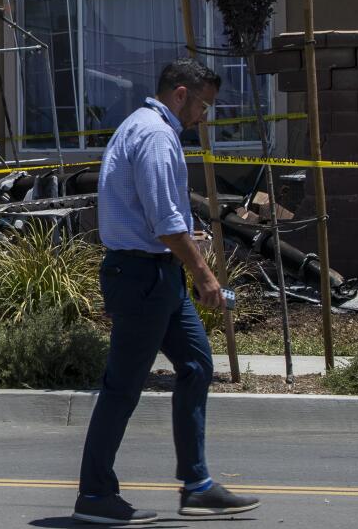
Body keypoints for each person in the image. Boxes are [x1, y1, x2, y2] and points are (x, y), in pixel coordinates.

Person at [71, 59, 260, 525]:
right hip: (141, 277)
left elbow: (161, 217)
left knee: (196, 365)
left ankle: (196, 486)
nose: (204, 115)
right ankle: (94, 495)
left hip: (158, 275)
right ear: (180, 94)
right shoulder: (156, 135)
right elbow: (165, 223)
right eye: (203, 105)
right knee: (122, 387)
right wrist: (205, 275)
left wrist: (184, 257)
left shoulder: (147, 127)